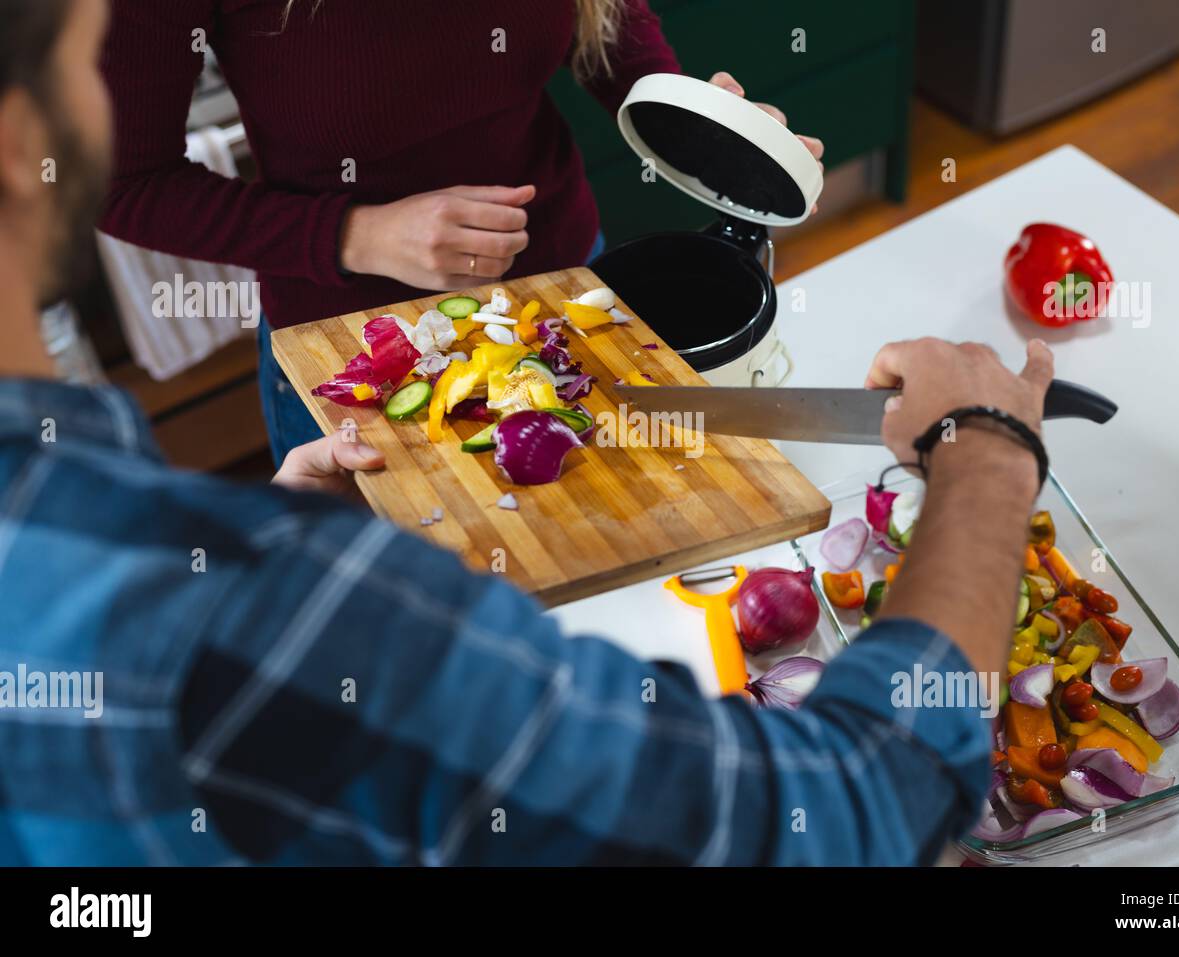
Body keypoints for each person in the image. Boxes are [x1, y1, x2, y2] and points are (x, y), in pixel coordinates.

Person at [1, 0, 1052, 866]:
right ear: (21, 146)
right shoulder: (291, 606)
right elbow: (846, 813)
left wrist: (682, 107)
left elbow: (606, 17)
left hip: (562, 276)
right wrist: (989, 451)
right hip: (350, 334)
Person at [95, 0, 824, 465]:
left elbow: (608, 16)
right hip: (359, 346)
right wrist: (355, 234)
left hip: (562, 291)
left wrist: (685, 113)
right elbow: (118, 181)